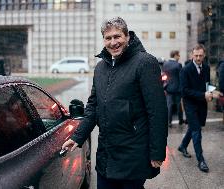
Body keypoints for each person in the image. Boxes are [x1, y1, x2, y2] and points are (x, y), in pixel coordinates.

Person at [62, 17, 168, 189]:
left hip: (133, 153)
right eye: (108, 38)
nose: (113, 42)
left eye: (117, 36)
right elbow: (92, 107)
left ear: (127, 36)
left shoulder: (145, 62)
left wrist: (157, 152)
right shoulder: (100, 68)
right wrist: (77, 137)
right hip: (106, 153)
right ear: (103, 40)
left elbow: (157, 112)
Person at [177, 44, 214, 173]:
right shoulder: (185, 70)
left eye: (200, 55)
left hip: (202, 104)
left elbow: (208, 84)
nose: (198, 58)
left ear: (204, 55)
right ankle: (201, 160)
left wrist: (211, 93)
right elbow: (184, 91)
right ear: (192, 55)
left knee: (194, 127)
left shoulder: (207, 68)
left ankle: (182, 146)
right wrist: (203, 95)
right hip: (190, 105)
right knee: (197, 131)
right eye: (196, 55)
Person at [163, 50, 184, 127]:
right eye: (178, 55)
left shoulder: (165, 64)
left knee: (169, 105)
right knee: (179, 105)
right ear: (175, 55)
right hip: (177, 88)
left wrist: (164, 87)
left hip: (168, 88)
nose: (179, 57)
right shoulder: (178, 65)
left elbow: (164, 77)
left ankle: (169, 122)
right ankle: (180, 120)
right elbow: (181, 78)